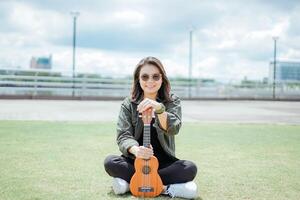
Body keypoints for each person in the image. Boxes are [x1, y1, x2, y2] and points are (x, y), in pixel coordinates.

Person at [104, 56, 198, 199]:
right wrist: (137, 150)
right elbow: (123, 135)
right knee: (110, 162)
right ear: (138, 79)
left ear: (162, 78)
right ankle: (165, 187)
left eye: (155, 77)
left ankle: (133, 184)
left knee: (189, 168)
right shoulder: (129, 104)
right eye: (145, 77)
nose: (150, 81)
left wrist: (159, 109)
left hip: (164, 163)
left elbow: (174, 128)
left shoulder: (172, 101)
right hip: (136, 162)